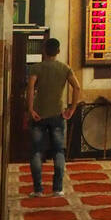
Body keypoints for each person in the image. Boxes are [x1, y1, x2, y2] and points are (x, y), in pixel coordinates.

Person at [27, 38, 80, 197]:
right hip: (58, 114)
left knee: (36, 152)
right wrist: (72, 108)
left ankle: (38, 190)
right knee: (58, 151)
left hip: (39, 114)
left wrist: (30, 109)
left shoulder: (36, 68)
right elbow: (76, 87)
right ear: (58, 51)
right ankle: (57, 188)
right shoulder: (65, 68)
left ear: (44, 50)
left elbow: (30, 89)